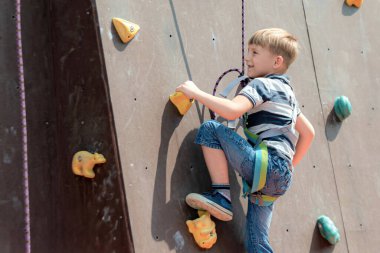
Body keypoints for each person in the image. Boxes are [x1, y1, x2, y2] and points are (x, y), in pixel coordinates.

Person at [175, 28, 315, 252]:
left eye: (255, 52)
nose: (247, 58)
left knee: (210, 129)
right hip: (281, 178)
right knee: (256, 243)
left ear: (276, 61)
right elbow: (309, 133)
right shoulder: (288, 94)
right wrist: (287, 166)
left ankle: (221, 196)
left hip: (265, 166)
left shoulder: (262, 85)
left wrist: (196, 93)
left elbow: (231, 111)